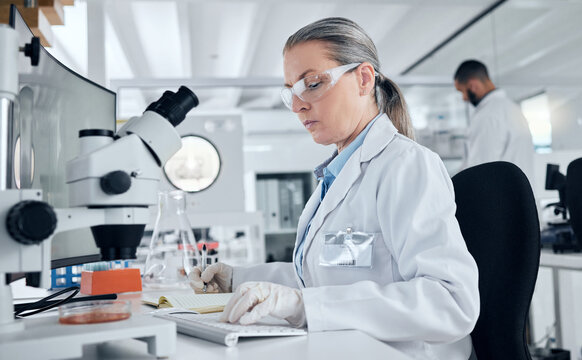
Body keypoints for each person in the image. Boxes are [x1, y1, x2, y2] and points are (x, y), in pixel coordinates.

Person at [191, 17, 479, 359]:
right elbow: (321, 280)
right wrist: (239, 279)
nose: (298, 105)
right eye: (291, 92)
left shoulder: (405, 165)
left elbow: (450, 302)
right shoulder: (335, 176)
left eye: (312, 84)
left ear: (363, 78)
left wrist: (303, 306)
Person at [454, 59, 535, 184]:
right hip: (521, 195)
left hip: (500, 199)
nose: (464, 98)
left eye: (462, 91)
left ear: (472, 85)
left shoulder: (487, 116)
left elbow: (480, 169)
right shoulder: (512, 108)